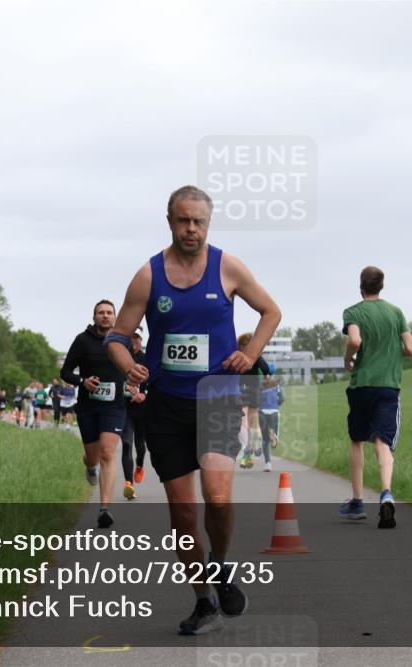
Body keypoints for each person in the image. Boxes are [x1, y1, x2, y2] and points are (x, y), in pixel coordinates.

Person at [105, 185, 281, 636]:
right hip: (166, 406)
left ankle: (219, 567)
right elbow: (118, 336)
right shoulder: (149, 275)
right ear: (170, 221)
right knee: (182, 514)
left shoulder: (228, 267)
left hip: (218, 397)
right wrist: (129, 367)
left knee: (218, 496)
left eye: (198, 222)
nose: (191, 229)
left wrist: (251, 354)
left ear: (209, 223)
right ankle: (203, 601)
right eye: (183, 221)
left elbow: (270, 311)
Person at [340, 265, 412, 529]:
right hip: (388, 386)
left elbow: (355, 340)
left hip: (361, 385)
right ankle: (386, 493)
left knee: (357, 440)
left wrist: (348, 357)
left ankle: (358, 501)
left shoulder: (353, 312)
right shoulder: (396, 313)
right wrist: (394, 353)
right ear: (381, 286)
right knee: (383, 442)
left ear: (360, 286)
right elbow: (411, 348)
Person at [61, 300, 128, 528]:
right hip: (88, 406)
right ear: (94, 317)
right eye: (101, 313)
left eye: (109, 312)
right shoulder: (83, 341)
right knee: (94, 456)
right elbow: (66, 371)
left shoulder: (122, 341)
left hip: (114, 406)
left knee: (108, 453)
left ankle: (104, 509)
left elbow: (135, 366)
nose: (105, 316)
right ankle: (90, 465)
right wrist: (83, 381)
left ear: (115, 317)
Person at [120, 331, 148, 499]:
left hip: (143, 409)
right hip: (125, 408)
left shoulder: (147, 358)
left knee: (140, 445)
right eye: (130, 338)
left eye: (136, 338)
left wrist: (144, 394)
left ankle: (139, 466)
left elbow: (154, 380)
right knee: (126, 444)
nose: (133, 341)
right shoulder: (121, 358)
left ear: (140, 340)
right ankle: (128, 484)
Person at [236, 332, 271, 469]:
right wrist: (267, 376)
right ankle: (255, 443)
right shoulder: (255, 356)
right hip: (255, 389)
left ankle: (246, 448)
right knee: (253, 420)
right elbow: (266, 369)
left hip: (242, 389)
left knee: (243, 419)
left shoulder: (238, 355)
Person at [257, 376, 282, 472]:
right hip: (274, 412)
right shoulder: (277, 384)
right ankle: (273, 434)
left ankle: (268, 464)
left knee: (265, 439)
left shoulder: (260, 384)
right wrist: (276, 404)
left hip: (262, 412)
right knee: (275, 434)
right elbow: (282, 398)